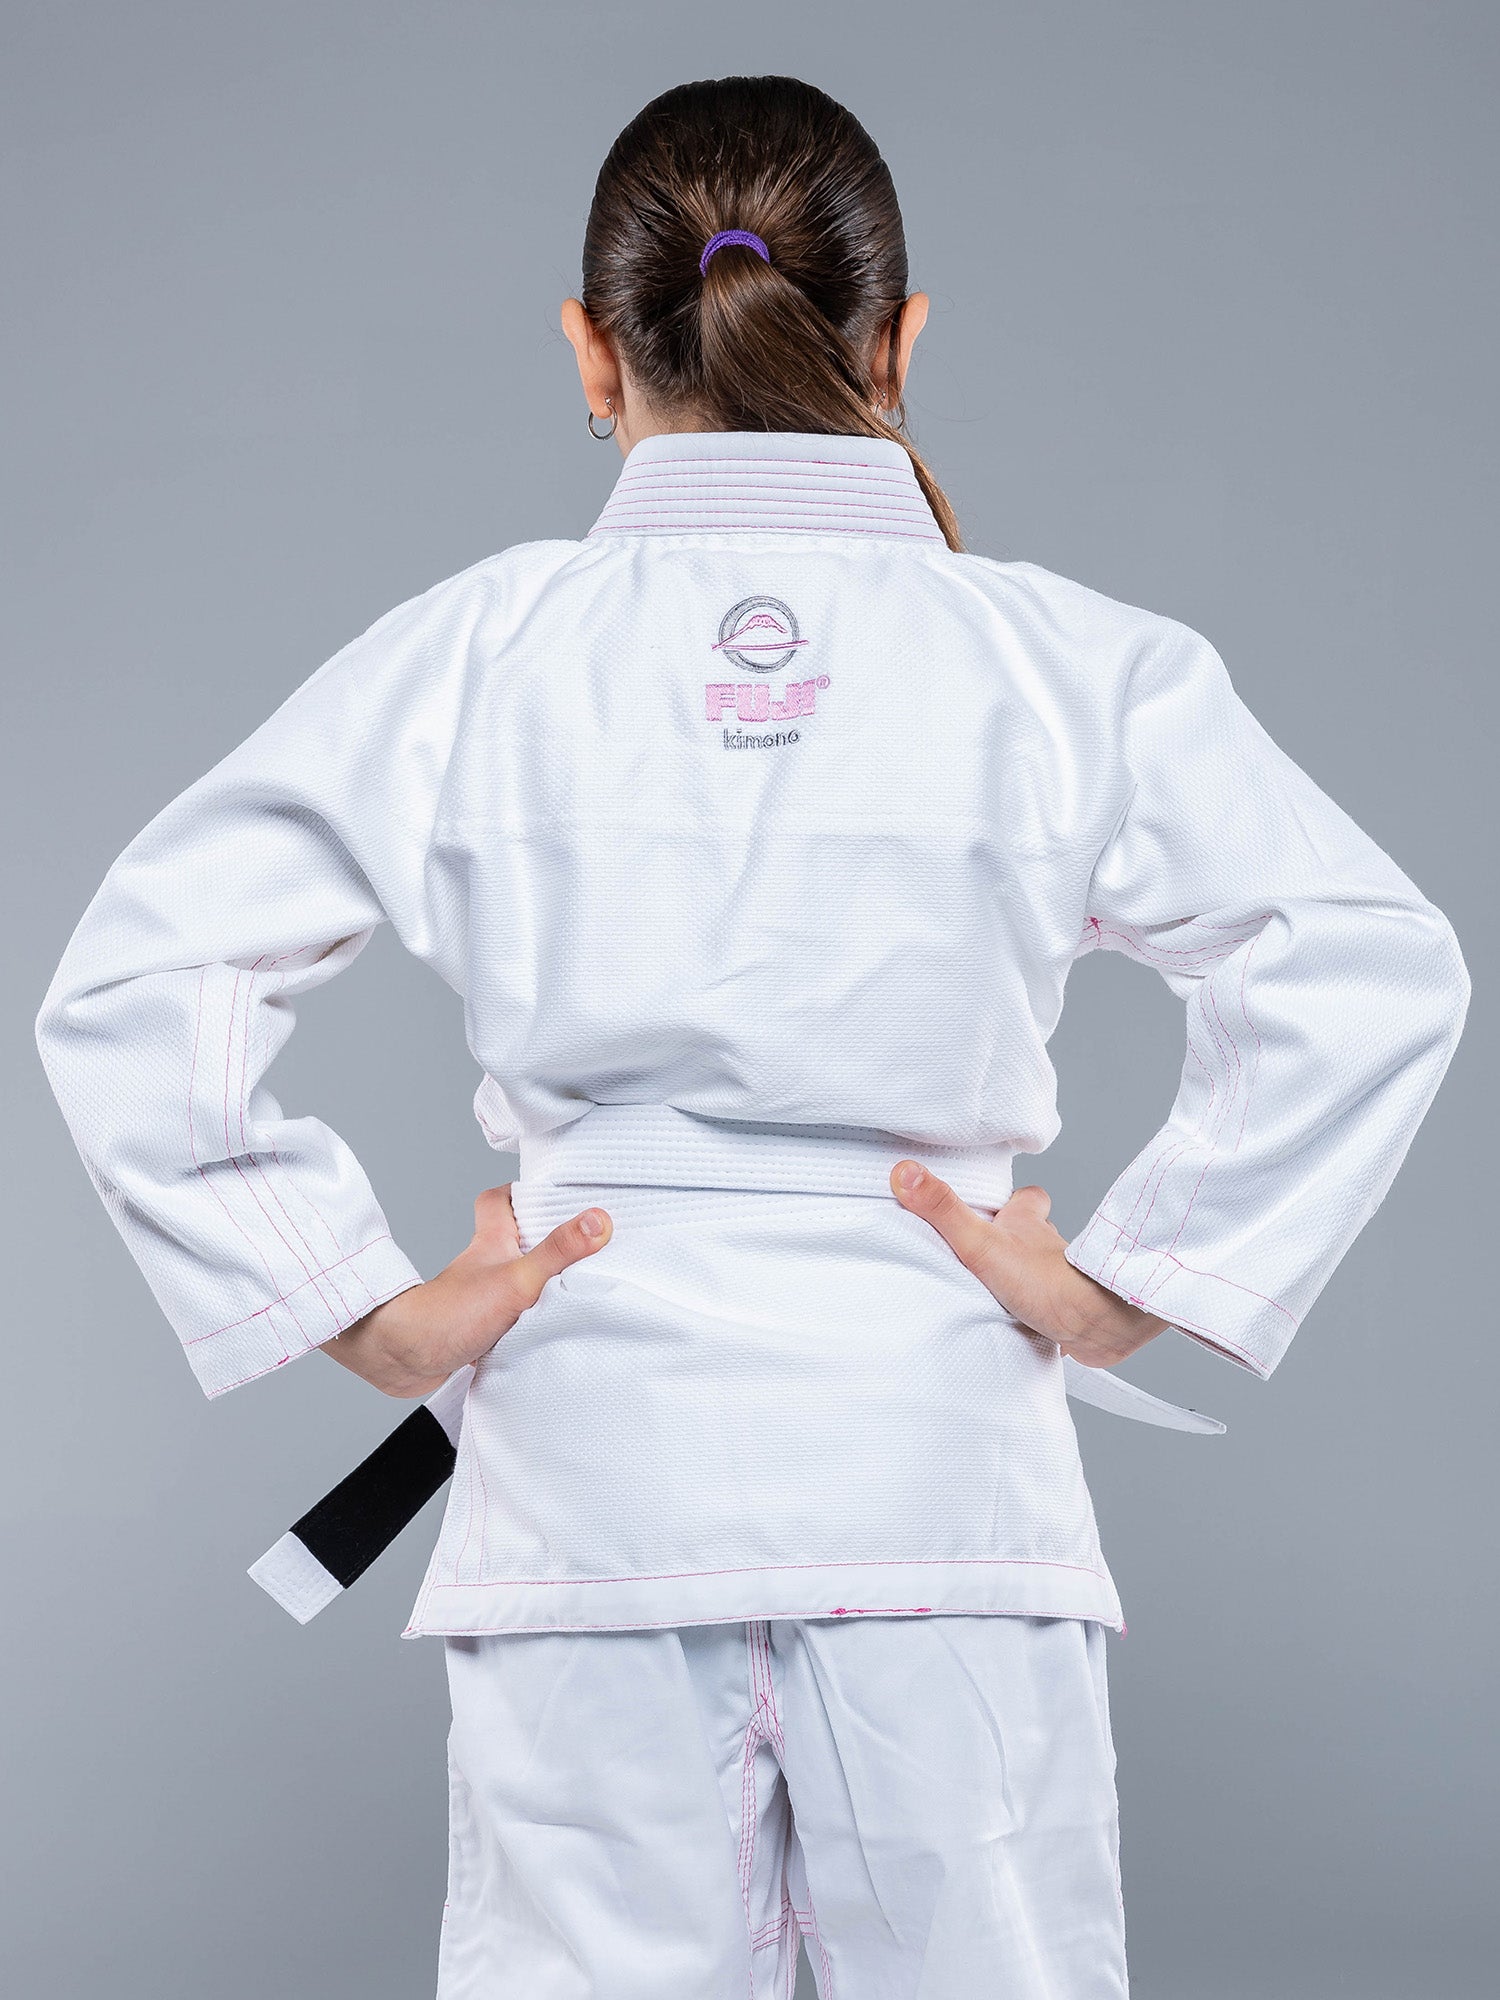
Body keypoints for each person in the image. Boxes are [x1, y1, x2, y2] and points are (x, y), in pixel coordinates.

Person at [34, 73, 1469, 2000]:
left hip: (593, 1493)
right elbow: (1366, 957)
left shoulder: (483, 654)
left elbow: (145, 979)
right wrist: (1127, 1277)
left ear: (591, 354)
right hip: (944, 1490)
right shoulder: (1067, 666)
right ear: (899, 341)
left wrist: (362, 1307)